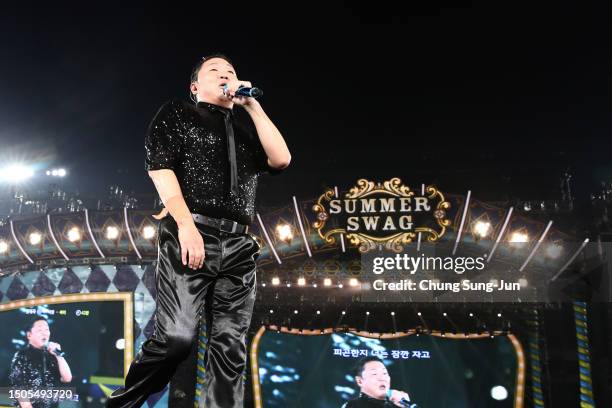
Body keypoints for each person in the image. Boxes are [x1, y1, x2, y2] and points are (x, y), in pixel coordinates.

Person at [107, 53, 290, 408]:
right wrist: (186, 225)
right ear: (195, 87)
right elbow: (160, 169)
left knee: (230, 346)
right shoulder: (178, 113)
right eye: (215, 71)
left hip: (239, 243)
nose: (225, 74)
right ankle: (121, 404)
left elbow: (281, 159)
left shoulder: (244, 129)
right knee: (177, 338)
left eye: (231, 71)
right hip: (190, 232)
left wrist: (251, 105)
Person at [9, 317, 73, 408]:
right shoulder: (21, 355)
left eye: (47, 329)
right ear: (29, 335)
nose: (44, 333)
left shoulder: (51, 356)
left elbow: (67, 378)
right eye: (40, 330)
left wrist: (58, 355)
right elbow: (19, 388)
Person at [342, 357, 412, 408]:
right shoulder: (352, 406)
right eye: (374, 374)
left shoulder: (399, 405)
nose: (382, 378)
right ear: (359, 381)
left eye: (385, 373)